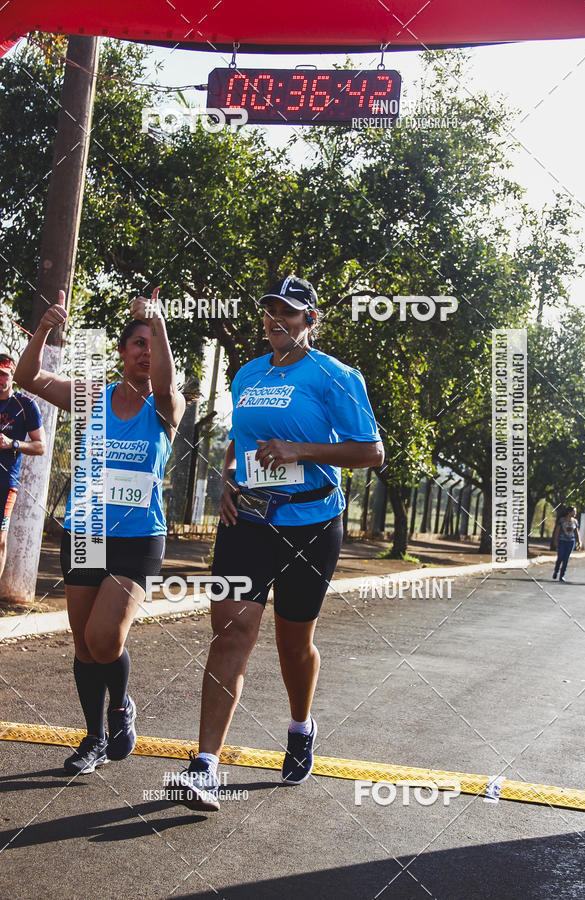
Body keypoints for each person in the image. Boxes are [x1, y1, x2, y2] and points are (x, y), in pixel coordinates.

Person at [168, 275, 384, 811]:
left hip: (310, 524)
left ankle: (300, 724)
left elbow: (370, 452)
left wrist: (298, 451)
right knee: (231, 635)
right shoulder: (246, 374)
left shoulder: (335, 376)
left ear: (310, 319)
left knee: (293, 643)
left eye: (287, 312)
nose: (274, 320)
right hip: (249, 522)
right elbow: (241, 441)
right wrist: (227, 483)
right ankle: (206, 765)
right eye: (269, 312)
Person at [15, 288, 185, 774]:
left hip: (137, 540)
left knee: (105, 637)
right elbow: (28, 377)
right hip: (85, 530)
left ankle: (121, 706)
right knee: (84, 645)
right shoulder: (92, 396)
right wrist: (46, 328)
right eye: (138, 343)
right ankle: (93, 737)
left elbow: (167, 379)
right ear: (121, 351)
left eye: (153, 345)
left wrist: (158, 322)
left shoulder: (166, 407)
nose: (145, 352)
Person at [0, 353, 46, 578]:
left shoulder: (25, 405)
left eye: (2, 374)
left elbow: (40, 446)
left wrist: (12, 443)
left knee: (0, 538)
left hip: (5, 483)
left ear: (12, 376)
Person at [552, 506, 580, 582]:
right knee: (560, 557)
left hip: (571, 542)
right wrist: (555, 541)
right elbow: (557, 531)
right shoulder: (562, 520)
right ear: (569, 512)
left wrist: (578, 541)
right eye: (574, 512)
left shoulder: (575, 521)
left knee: (566, 559)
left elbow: (576, 532)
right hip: (562, 541)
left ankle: (562, 575)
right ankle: (556, 571)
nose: (575, 513)